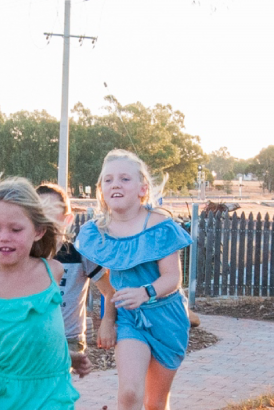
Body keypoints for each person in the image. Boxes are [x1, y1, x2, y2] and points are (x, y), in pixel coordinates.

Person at [78, 149, 193, 410]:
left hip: (167, 317)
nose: (115, 184)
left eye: (124, 179)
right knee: (130, 394)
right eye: (108, 180)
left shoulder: (159, 225)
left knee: (155, 402)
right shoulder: (98, 232)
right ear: (101, 189)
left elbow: (172, 278)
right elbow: (108, 283)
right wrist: (108, 320)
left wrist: (145, 292)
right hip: (130, 318)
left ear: (142, 189)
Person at [0, 177, 82, 410]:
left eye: (16, 229)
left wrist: (69, 357)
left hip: (55, 395)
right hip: (8, 398)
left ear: (38, 231)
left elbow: (43, 334)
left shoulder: (53, 271)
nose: (4, 236)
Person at [37, 183, 97, 378]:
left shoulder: (80, 255)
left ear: (67, 219)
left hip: (69, 338)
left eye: (51, 211)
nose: (44, 217)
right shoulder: (26, 255)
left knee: (54, 383)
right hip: (34, 336)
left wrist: (108, 322)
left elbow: (109, 289)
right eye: (38, 211)